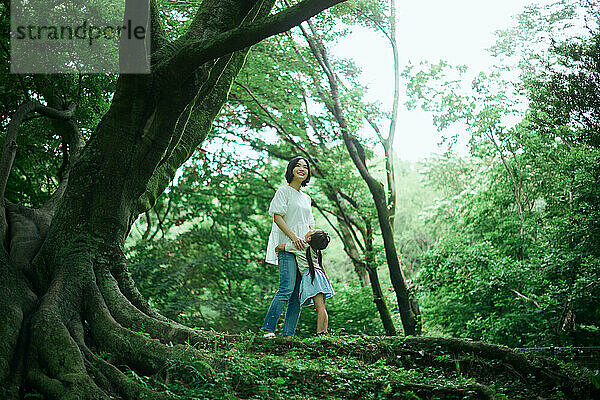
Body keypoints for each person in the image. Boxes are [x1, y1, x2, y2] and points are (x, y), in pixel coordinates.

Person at [261, 156, 315, 338]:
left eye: (305, 167)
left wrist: (309, 241)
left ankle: (288, 335)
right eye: (298, 166)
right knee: (286, 288)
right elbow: (277, 217)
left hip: (303, 251)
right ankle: (268, 330)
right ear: (291, 169)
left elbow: (310, 226)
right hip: (287, 247)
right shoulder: (283, 191)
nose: (302, 169)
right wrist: (294, 238)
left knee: (297, 295)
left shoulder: (307, 198)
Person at [276, 229, 334, 335]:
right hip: (320, 276)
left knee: (319, 307)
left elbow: (280, 247)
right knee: (321, 307)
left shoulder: (301, 246)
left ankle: (320, 332)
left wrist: (276, 253)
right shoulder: (316, 250)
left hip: (312, 277)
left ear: (309, 238)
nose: (309, 230)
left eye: (311, 231)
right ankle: (323, 331)